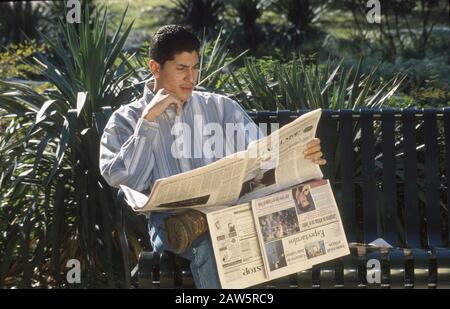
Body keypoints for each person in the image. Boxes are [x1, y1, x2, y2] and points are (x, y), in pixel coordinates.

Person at [99, 25, 326, 288]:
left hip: (232, 212)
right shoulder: (126, 119)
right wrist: (148, 121)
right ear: (155, 68)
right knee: (211, 244)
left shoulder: (221, 108)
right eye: (181, 68)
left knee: (275, 229)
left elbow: (263, 158)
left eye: (195, 67)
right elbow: (120, 177)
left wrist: (301, 155)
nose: (191, 77)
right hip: (173, 223)